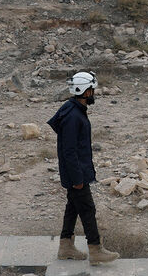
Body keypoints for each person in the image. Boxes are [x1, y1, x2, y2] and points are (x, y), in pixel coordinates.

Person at [47, 70, 118, 265]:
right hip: (75, 173)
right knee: (87, 209)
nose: (93, 94)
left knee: (73, 208)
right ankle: (95, 250)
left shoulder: (74, 110)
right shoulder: (73, 116)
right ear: (85, 92)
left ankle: (65, 246)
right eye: (92, 90)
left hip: (77, 171)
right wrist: (78, 178)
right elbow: (69, 151)